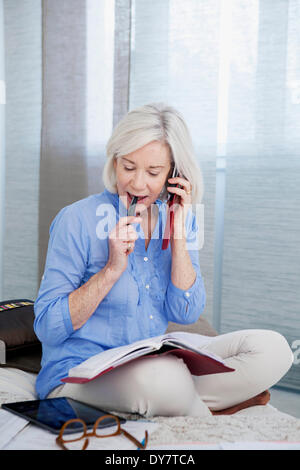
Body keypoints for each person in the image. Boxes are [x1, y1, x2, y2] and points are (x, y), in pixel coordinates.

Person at [34, 103, 293, 418]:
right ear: (114, 161)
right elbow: (48, 327)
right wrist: (112, 270)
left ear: (173, 173)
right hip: (80, 370)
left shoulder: (181, 219)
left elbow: (185, 311)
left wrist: (179, 231)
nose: (138, 183)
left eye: (153, 172)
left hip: (149, 360)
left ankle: (176, 399)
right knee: (164, 377)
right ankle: (200, 411)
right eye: (128, 167)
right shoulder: (76, 220)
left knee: (273, 349)